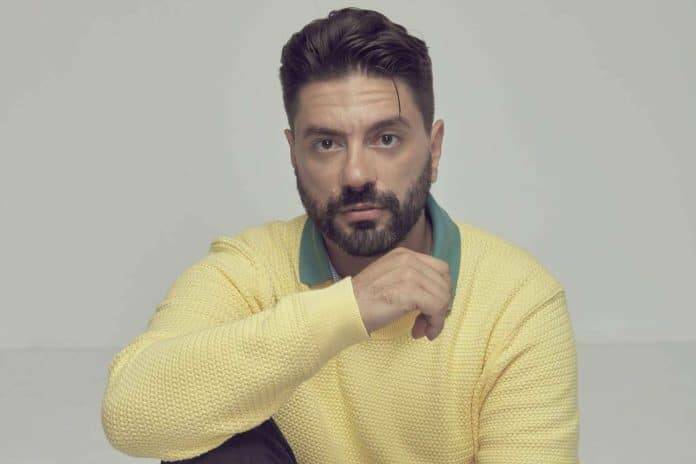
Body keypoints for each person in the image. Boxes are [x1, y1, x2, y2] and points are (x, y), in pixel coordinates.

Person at [101, 6, 580, 463]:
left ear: (433, 151)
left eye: (386, 139)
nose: (355, 174)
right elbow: (129, 412)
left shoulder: (516, 300)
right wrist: (350, 308)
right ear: (294, 154)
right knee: (210, 425)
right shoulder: (249, 270)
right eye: (327, 143)